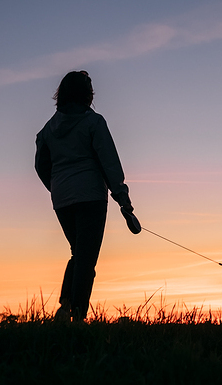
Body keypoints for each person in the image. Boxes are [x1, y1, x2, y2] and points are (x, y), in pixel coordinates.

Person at [35, 70, 139, 322]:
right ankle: (76, 314)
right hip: (90, 196)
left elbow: (40, 166)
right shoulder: (94, 123)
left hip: (62, 198)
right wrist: (123, 200)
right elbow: (109, 162)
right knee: (86, 257)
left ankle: (65, 306)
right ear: (86, 95)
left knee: (79, 252)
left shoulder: (48, 130)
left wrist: (56, 187)